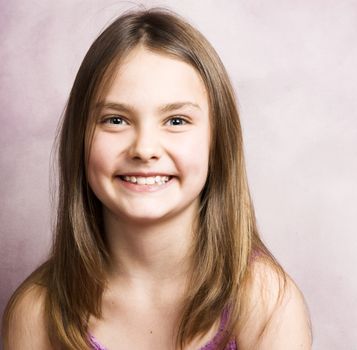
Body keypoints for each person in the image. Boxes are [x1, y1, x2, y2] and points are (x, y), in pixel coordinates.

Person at [1, 8, 312, 350]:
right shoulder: (37, 313)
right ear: (80, 139)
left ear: (217, 142)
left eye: (176, 121)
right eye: (115, 120)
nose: (145, 148)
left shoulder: (265, 302)